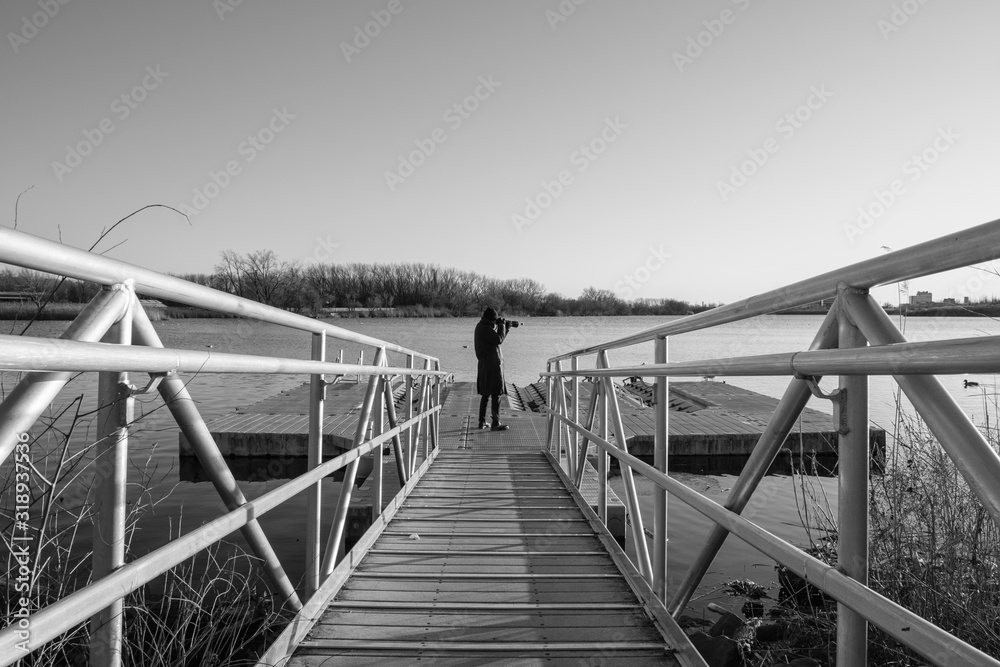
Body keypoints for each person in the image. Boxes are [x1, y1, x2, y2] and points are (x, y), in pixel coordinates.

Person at [474, 306, 511, 431]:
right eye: (495, 320)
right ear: (491, 320)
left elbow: (497, 339)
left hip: (487, 363)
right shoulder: (484, 328)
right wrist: (501, 325)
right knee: (496, 393)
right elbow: (498, 339)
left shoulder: (483, 327)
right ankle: (495, 423)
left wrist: (506, 328)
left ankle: (482, 421)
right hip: (491, 364)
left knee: (486, 394)